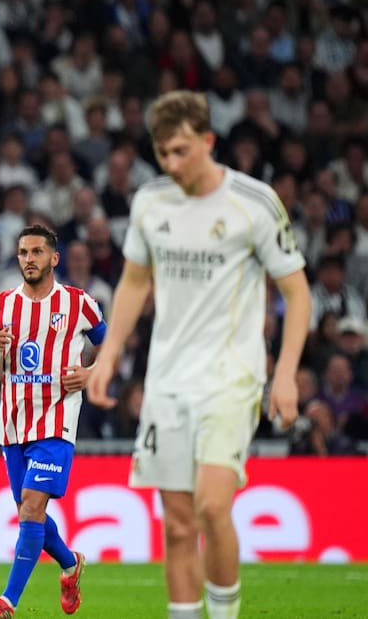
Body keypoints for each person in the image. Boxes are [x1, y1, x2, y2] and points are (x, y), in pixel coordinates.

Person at [86, 90, 311, 619]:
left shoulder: (253, 203)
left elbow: (297, 292)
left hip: (230, 377)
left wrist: (285, 374)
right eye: (163, 152)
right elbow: (134, 283)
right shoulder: (150, 203)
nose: (171, 163)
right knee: (178, 522)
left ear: (208, 141)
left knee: (212, 506)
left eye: (181, 151)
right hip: (166, 381)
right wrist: (109, 353)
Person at [0, 224, 106, 618]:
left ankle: (7, 601)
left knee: (30, 507)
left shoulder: (79, 304)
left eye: (37, 252)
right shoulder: (1, 306)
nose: (29, 259)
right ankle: (70, 564)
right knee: (32, 514)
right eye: (23, 253)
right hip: (13, 425)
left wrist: (90, 373)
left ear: (54, 258)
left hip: (57, 421)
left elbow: (112, 346)